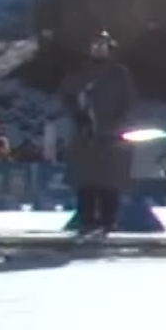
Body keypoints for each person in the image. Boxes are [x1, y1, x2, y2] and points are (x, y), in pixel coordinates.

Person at [70, 31, 133, 239]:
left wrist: (117, 124)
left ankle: (109, 221)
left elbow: (129, 103)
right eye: (94, 45)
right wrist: (78, 117)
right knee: (86, 182)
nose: (98, 49)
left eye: (102, 45)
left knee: (109, 182)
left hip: (111, 137)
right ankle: (87, 220)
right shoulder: (78, 72)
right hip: (85, 136)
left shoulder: (119, 74)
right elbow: (66, 96)